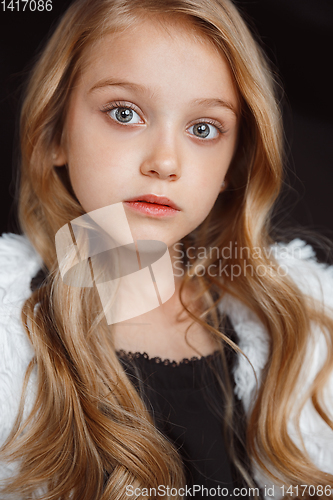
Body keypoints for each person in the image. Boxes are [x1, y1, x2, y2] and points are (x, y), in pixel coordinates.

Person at [0, 0, 332, 498]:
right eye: (125, 113)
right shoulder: (10, 331)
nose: (165, 161)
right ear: (54, 133)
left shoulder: (305, 328)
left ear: (231, 166)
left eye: (203, 129)